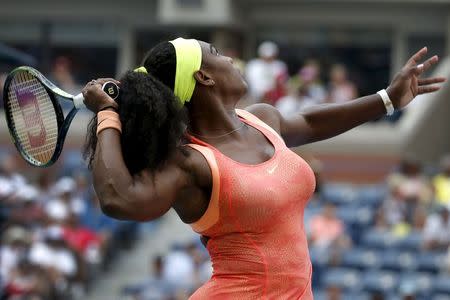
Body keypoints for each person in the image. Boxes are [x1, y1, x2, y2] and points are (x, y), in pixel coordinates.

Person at [81, 38, 445, 299]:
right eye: (217, 53)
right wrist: (107, 115)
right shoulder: (188, 162)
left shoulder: (260, 119)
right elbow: (118, 198)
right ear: (203, 77)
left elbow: (312, 123)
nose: (231, 59)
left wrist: (388, 100)